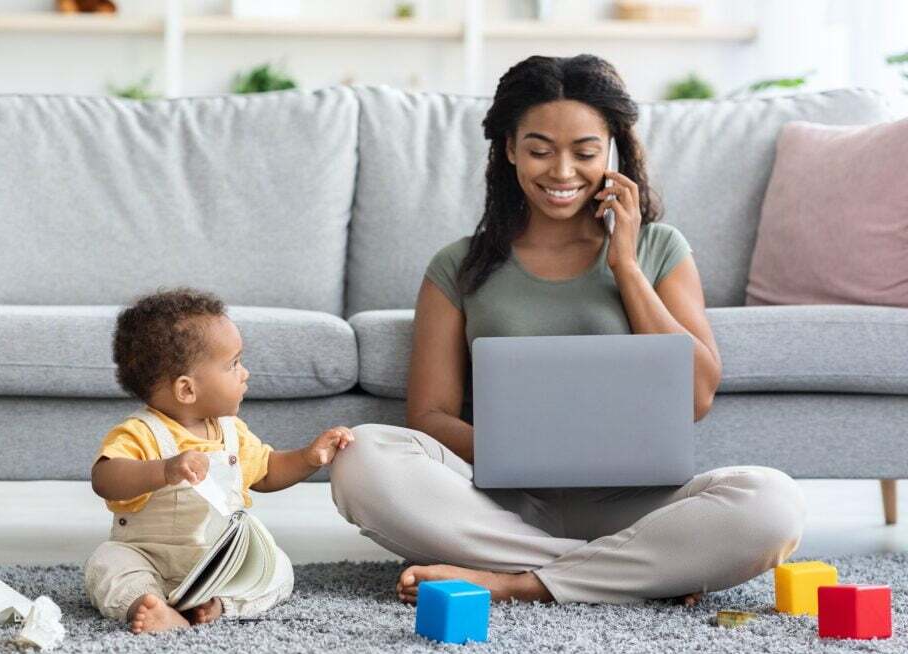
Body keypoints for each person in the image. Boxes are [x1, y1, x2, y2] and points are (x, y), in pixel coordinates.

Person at [330, 55, 805, 606]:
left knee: (773, 502)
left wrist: (625, 266)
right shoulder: (458, 265)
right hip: (500, 503)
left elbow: (695, 397)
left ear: (612, 152)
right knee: (361, 458)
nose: (561, 172)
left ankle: (518, 581)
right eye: (540, 150)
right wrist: (523, 452)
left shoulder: (660, 248)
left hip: (634, 505)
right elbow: (430, 415)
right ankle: (630, 570)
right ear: (510, 149)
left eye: (584, 153)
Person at [85, 288, 354, 633]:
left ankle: (216, 605)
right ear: (187, 390)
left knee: (278, 567)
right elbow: (105, 478)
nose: (245, 373)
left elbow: (267, 471)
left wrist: (308, 457)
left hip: (219, 565)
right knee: (106, 564)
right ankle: (147, 604)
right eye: (233, 364)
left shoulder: (231, 432)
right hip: (147, 558)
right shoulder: (141, 432)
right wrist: (164, 469)